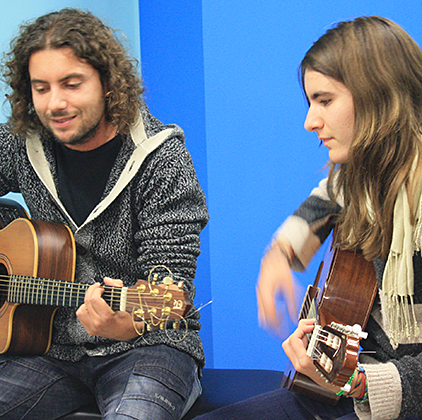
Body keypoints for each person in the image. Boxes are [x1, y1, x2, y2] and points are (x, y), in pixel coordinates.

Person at [194, 16, 422, 420]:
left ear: (378, 95)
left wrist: (354, 381)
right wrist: (278, 257)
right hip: (348, 394)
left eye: (325, 100)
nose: (310, 122)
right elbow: (317, 208)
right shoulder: (355, 181)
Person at [0, 8, 208, 420]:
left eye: (71, 84)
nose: (55, 103)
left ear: (109, 84)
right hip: (47, 350)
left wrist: (127, 324)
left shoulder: (162, 159)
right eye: (41, 88)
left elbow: (170, 286)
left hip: (148, 348)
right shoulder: (21, 143)